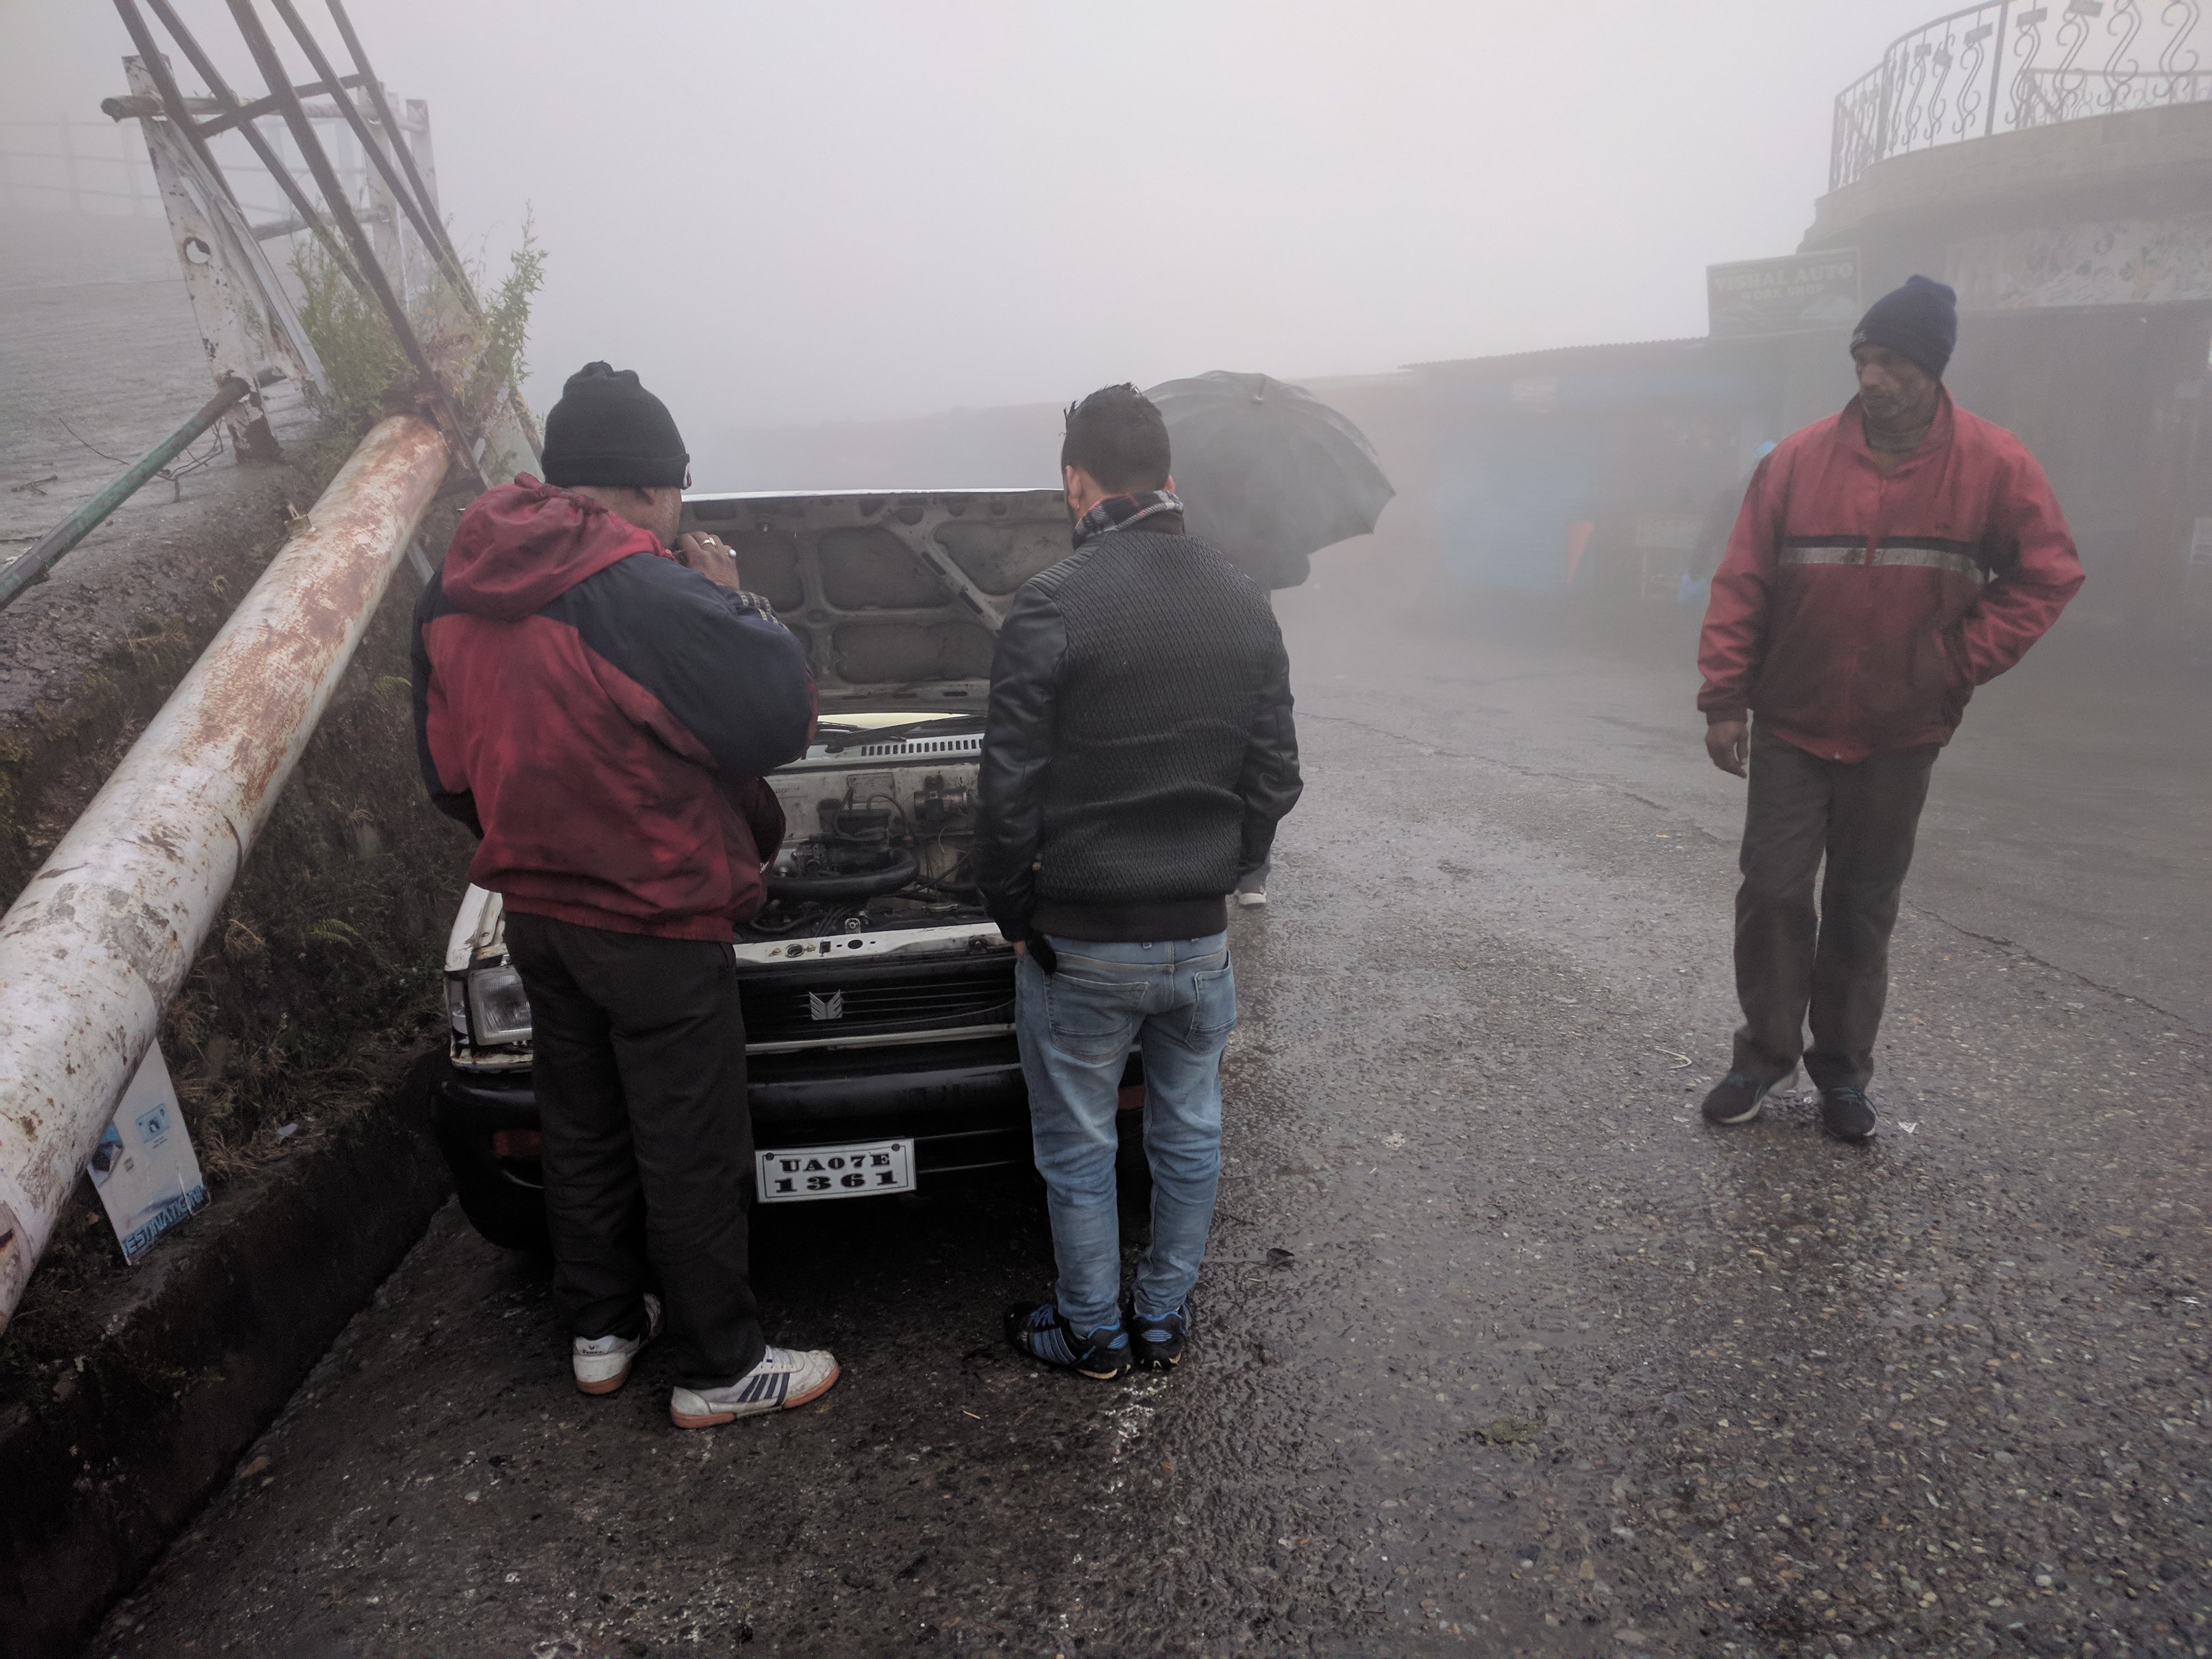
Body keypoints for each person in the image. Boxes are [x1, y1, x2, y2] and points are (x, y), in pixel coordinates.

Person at [412, 362, 840, 1426]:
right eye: (676, 485)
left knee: (584, 1123)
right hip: (655, 916)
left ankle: (602, 1329)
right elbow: (777, 714)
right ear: (650, 486)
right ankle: (722, 1366)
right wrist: (728, 596)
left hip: (541, 917)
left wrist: (531, 841)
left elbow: (446, 772)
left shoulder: (453, 586)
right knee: (687, 1142)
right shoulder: (642, 587)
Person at [1695, 276, 2084, 1141]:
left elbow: (2048, 574)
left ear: (1932, 368)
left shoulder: (1994, 463)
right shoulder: (1795, 461)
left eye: (1892, 361)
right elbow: (1742, 582)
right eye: (1863, 359)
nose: (1871, 377)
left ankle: (1842, 1075)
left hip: (1900, 733)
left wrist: (1956, 661)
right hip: (1794, 723)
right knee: (1773, 895)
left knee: (1864, 909)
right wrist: (1724, 698)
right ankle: (1761, 1058)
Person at [975, 384, 1302, 1379]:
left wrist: (1016, 912)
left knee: (1077, 1150)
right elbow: (1278, 776)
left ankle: (1091, 1330)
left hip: (1080, 940)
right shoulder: (1246, 602)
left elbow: (1007, 796)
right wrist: (1224, 871)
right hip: (1198, 941)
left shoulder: (1050, 606)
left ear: (1076, 482)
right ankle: (1163, 1315)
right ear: (1170, 479)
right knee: (1190, 1129)